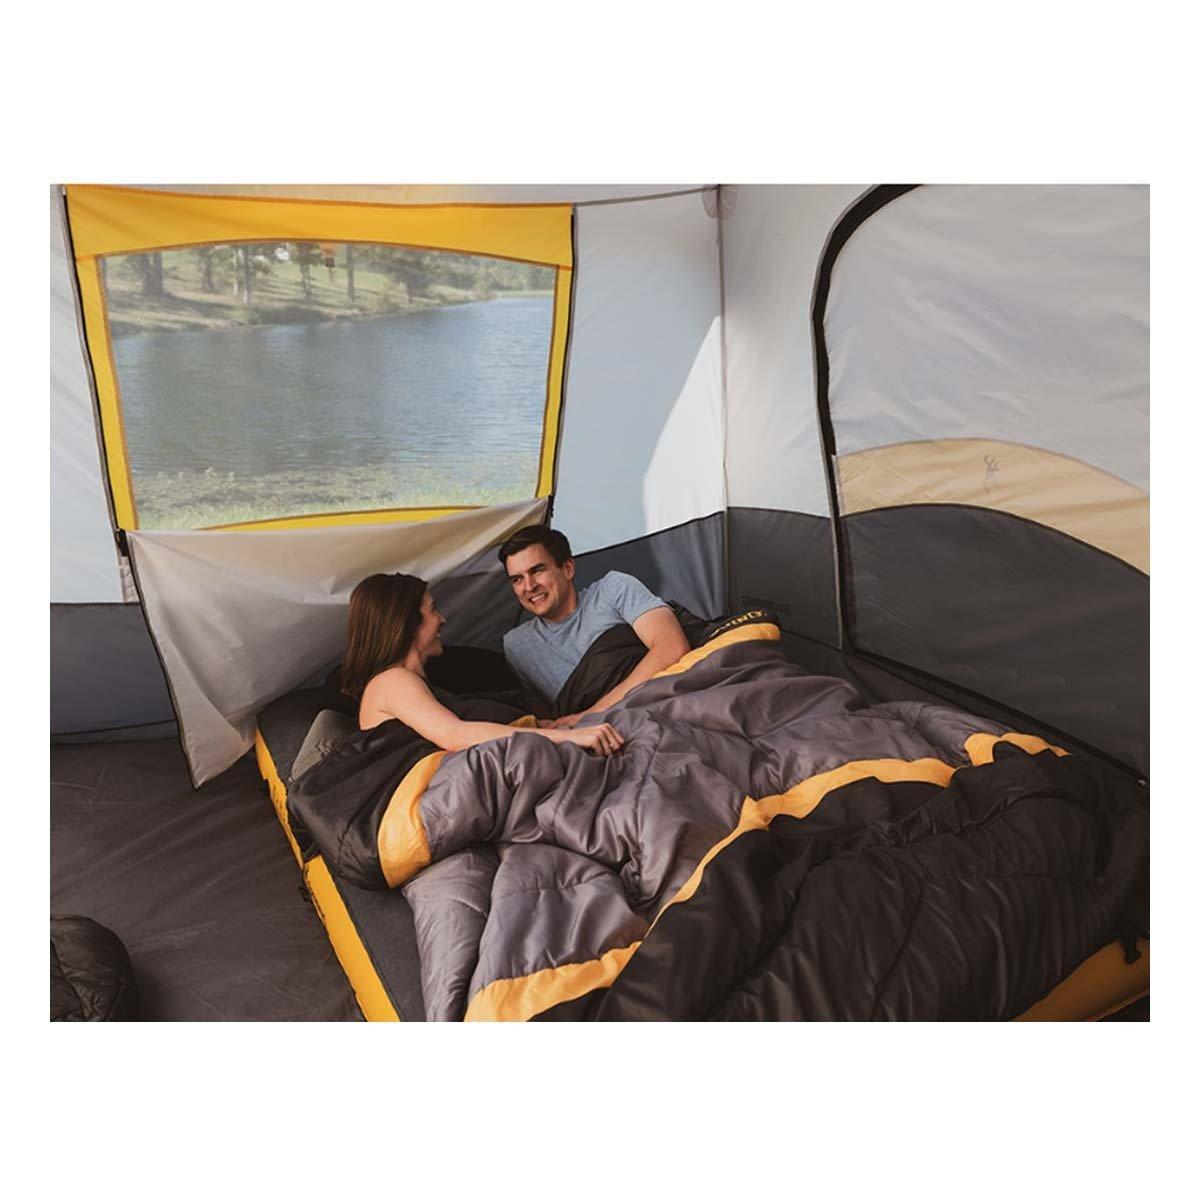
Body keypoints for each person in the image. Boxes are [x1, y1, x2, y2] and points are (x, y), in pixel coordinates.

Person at [342, 572, 623, 756]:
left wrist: (546, 728)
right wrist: (564, 737)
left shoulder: (410, 684)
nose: (442, 619)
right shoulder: (391, 681)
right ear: (408, 622)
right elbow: (454, 735)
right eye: (432, 610)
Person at [498, 525, 690, 727]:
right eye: (517, 579)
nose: (529, 586)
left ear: (568, 569)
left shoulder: (613, 589)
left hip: (658, 705)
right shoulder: (517, 645)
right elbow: (547, 716)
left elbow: (672, 647)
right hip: (596, 734)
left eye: (537, 570)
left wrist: (590, 715)